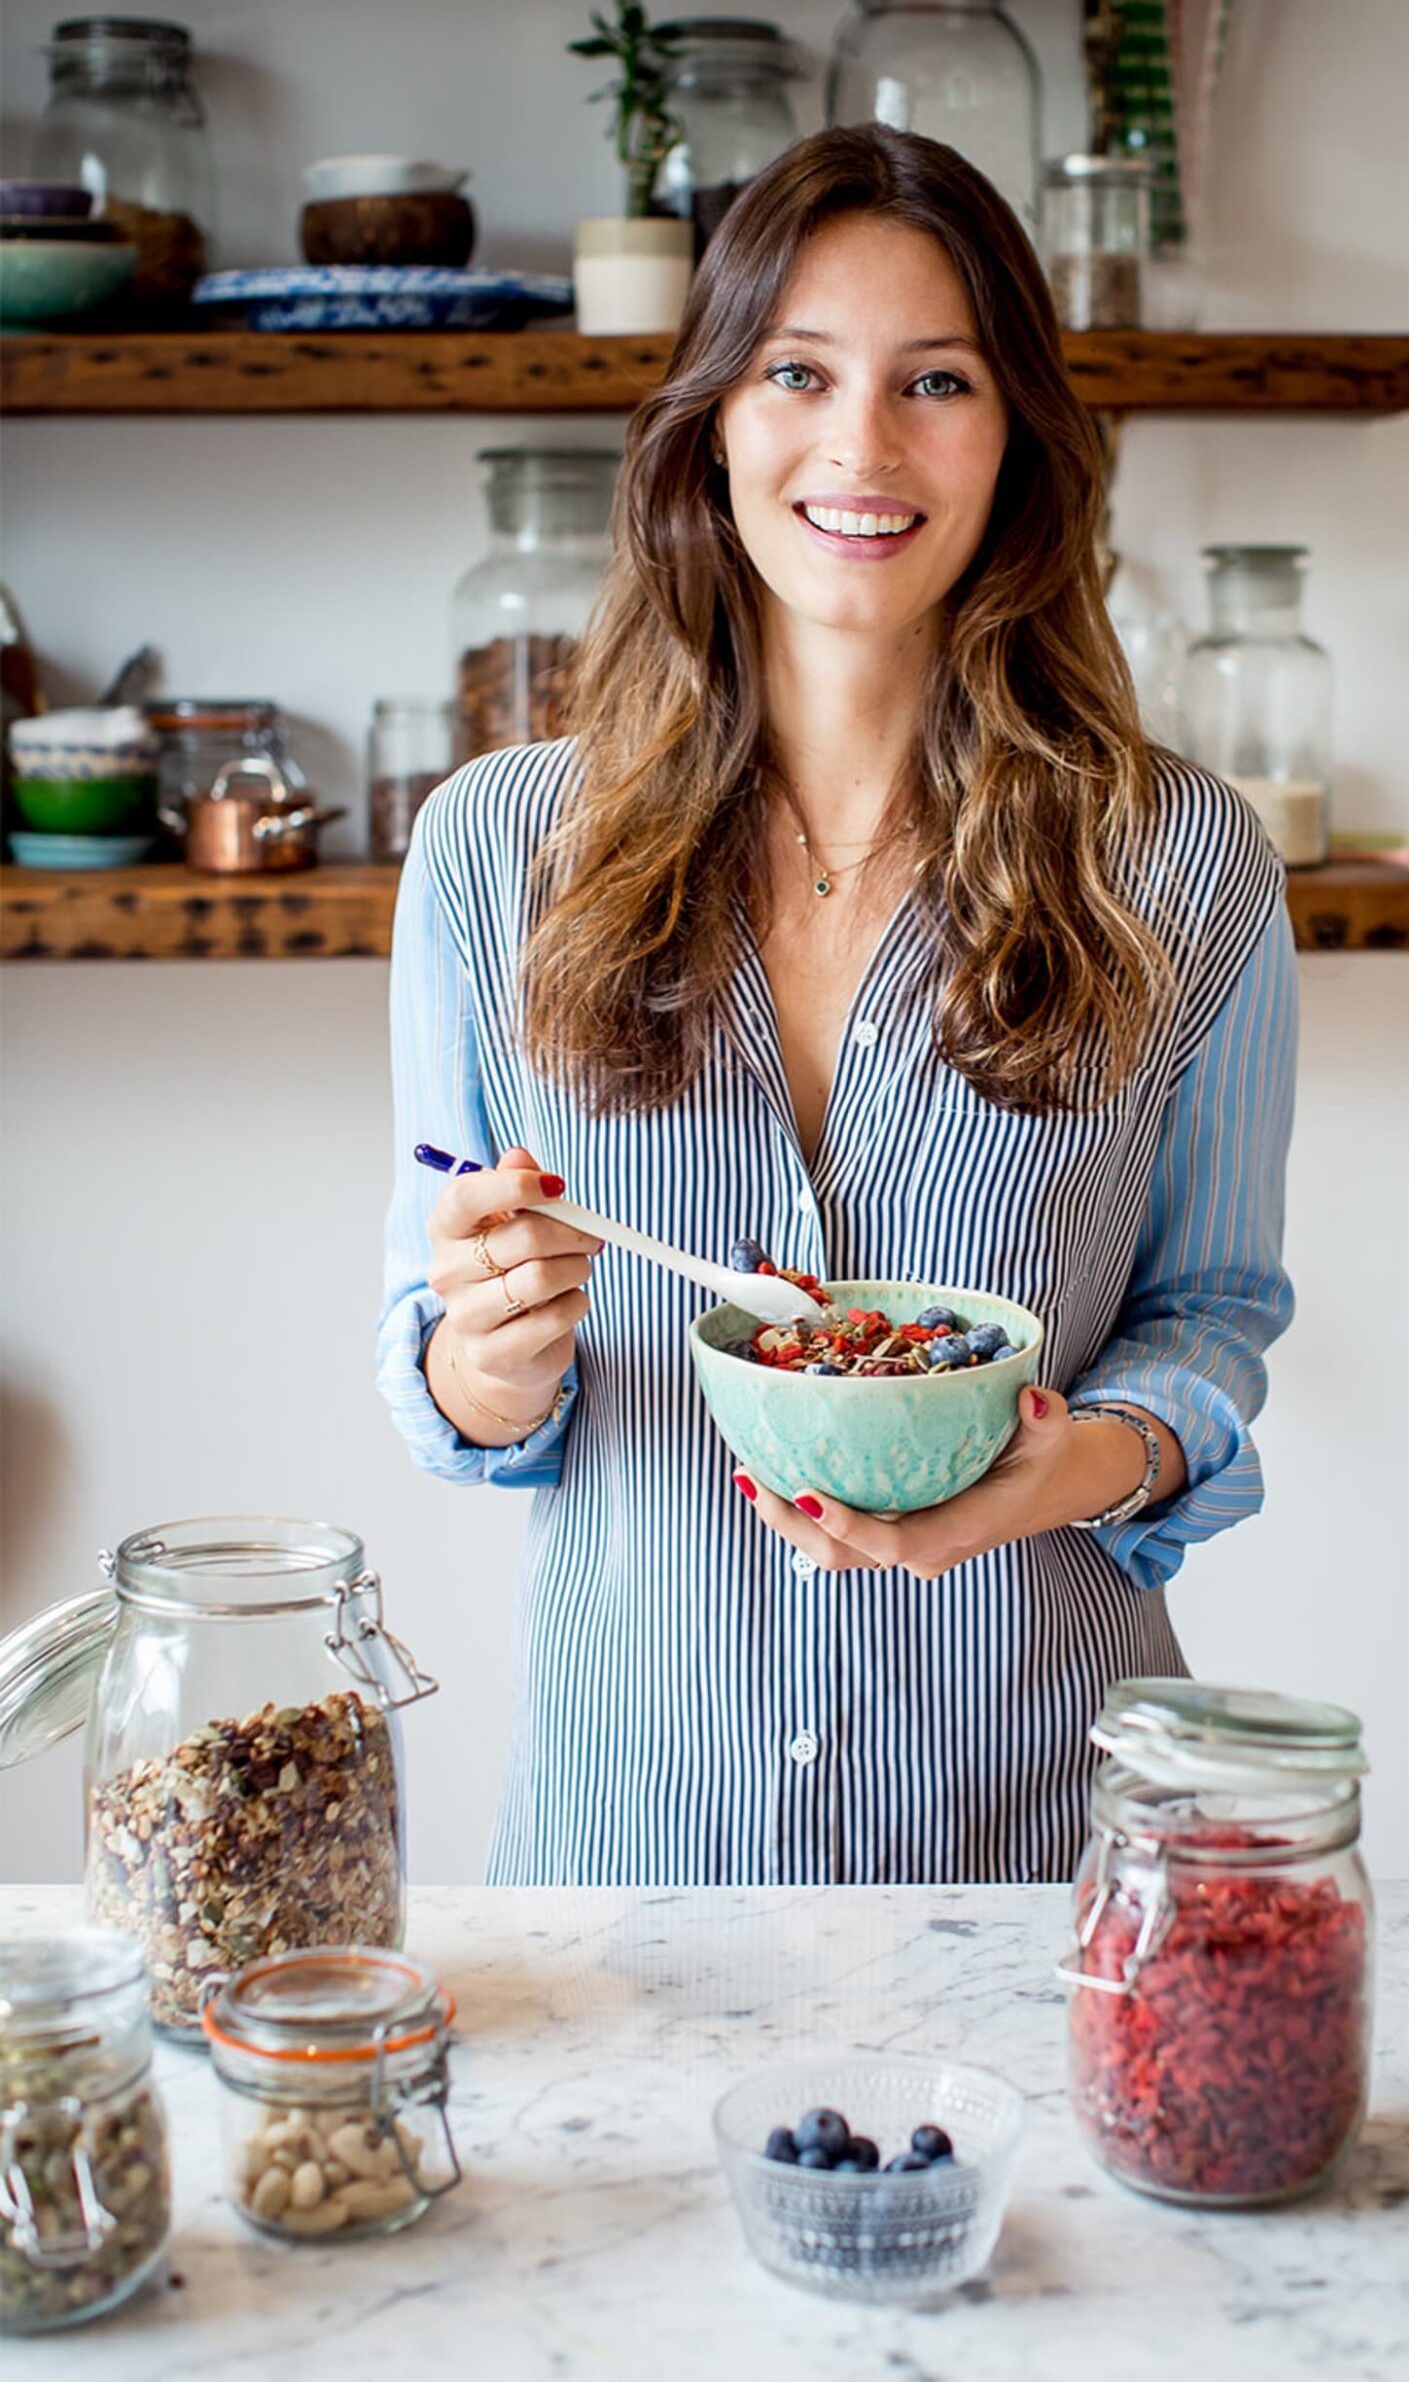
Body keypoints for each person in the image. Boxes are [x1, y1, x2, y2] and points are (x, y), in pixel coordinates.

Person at [378, 124, 1297, 1889]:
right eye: (797, 370)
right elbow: (438, 1364)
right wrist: (484, 1353)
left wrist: (1054, 1475)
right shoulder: (496, 853)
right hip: (633, 1853)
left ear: (1017, 433)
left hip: (1038, 1856)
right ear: (713, 421)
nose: (861, 445)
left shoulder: (1181, 863)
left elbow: (1212, 1320)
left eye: (934, 380)